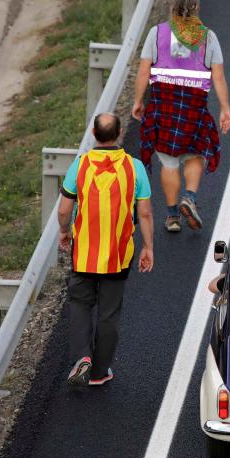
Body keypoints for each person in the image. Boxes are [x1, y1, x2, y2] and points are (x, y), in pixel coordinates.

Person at [57, 113, 154, 386]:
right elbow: (144, 213)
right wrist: (148, 247)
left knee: (80, 303)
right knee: (109, 312)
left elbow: (65, 208)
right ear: (120, 133)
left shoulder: (80, 165)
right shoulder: (135, 168)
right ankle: (99, 372)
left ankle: (81, 358)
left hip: (84, 252)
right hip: (119, 254)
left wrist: (64, 232)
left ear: (93, 133)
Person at [132, 0, 230, 233]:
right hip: (193, 104)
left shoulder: (157, 34)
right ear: (196, 8)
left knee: (168, 162)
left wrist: (137, 101)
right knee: (195, 153)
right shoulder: (208, 37)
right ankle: (189, 196)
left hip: (163, 103)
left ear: (171, 7)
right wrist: (225, 109)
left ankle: (172, 216)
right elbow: (218, 76)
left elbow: (144, 70)